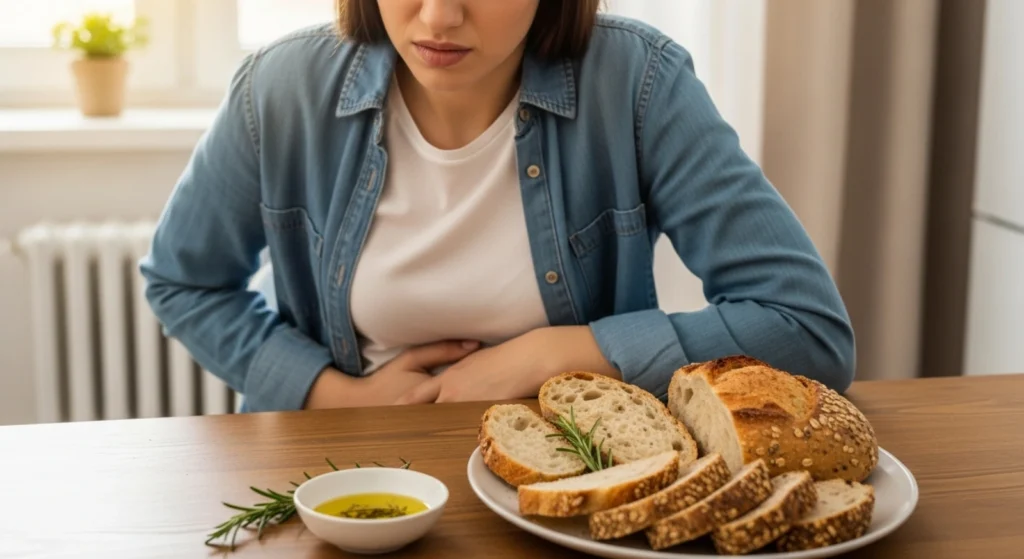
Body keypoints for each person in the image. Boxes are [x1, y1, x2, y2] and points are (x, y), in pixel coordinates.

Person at [140, 0, 855, 413]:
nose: (439, 16)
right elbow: (184, 282)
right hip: (346, 482)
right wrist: (333, 396)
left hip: (571, 489)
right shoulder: (281, 89)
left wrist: (557, 355)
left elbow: (807, 328)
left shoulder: (639, 84)